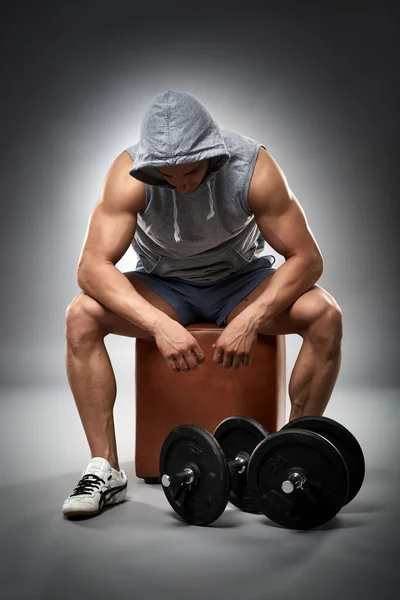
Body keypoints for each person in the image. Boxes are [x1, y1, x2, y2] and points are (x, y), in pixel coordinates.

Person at [62, 90, 342, 518]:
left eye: (190, 172)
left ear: (213, 153)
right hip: (165, 286)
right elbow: (90, 268)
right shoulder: (129, 174)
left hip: (242, 283)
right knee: (81, 315)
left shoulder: (254, 168)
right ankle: (105, 469)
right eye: (168, 176)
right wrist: (157, 324)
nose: (181, 184)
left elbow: (308, 259)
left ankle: (292, 450)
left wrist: (251, 318)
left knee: (325, 315)